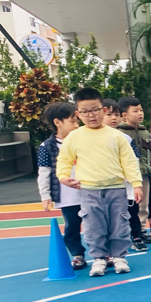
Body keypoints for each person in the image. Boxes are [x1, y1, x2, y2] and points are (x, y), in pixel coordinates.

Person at [56, 88, 143, 276]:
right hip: (88, 191)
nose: (91, 115)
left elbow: (129, 161)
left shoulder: (117, 136)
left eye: (95, 110)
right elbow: (64, 159)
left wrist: (136, 184)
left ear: (103, 110)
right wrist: (63, 177)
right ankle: (99, 258)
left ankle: (119, 256)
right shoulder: (74, 137)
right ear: (78, 114)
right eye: (85, 112)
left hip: (116, 189)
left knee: (119, 224)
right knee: (93, 226)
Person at [37, 102, 86, 269]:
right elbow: (44, 173)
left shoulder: (83, 141)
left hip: (89, 191)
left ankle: (103, 252)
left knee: (97, 223)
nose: (76, 125)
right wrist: (45, 196)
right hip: (66, 196)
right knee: (72, 225)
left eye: (77, 121)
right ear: (57, 122)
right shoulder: (47, 146)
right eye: (72, 121)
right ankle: (77, 254)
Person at [102, 99, 150, 252]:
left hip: (126, 184)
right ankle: (110, 243)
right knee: (109, 215)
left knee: (132, 211)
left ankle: (136, 237)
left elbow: (134, 158)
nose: (114, 118)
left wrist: (134, 179)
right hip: (105, 185)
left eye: (116, 114)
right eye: (109, 114)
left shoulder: (124, 138)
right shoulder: (92, 139)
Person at [118, 96, 151, 238]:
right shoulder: (120, 133)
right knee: (130, 203)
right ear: (124, 115)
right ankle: (130, 231)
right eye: (135, 111)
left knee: (143, 203)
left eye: (141, 110)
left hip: (144, 173)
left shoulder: (145, 132)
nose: (140, 113)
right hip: (127, 175)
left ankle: (141, 229)